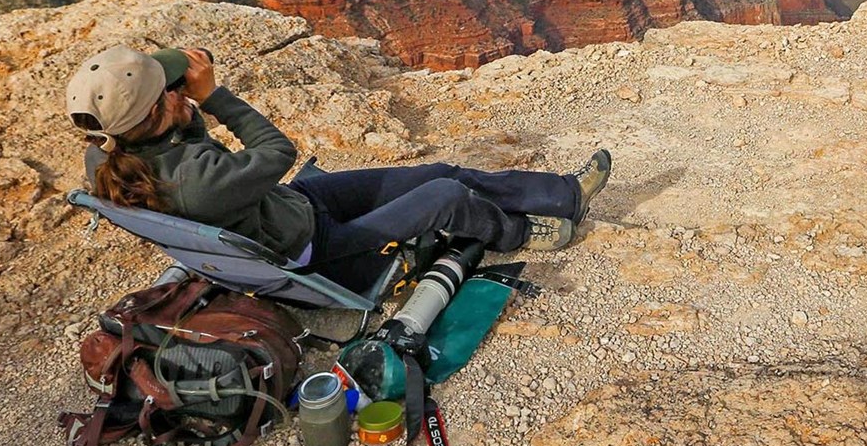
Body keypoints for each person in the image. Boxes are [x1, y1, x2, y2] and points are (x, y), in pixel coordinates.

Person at [66, 45, 610, 292]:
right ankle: (517, 231)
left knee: (440, 170)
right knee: (445, 192)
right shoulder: (200, 182)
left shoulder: (111, 155)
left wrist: (179, 109)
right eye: (170, 91)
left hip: (293, 207)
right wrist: (213, 98)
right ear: (156, 112)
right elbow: (276, 152)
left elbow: (188, 152)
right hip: (316, 248)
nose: (181, 89)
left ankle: (564, 194)